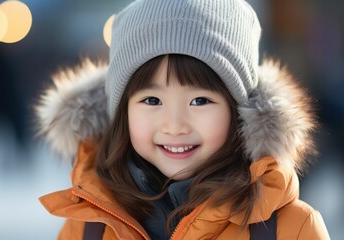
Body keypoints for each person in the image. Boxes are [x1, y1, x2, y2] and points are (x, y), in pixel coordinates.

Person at [36, 0, 330, 239]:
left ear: (240, 112)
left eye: (199, 100)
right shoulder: (90, 225)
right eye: (152, 100)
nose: (175, 125)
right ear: (123, 112)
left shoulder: (289, 229)